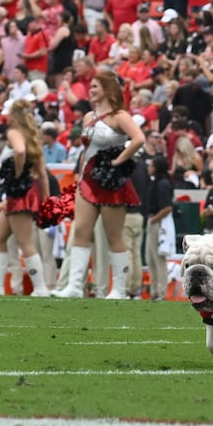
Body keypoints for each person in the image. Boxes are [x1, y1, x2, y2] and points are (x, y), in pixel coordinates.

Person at [53, 73, 145, 299]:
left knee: (114, 235)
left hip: (112, 182)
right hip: (88, 181)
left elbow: (139, 139)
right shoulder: (88, 117)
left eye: (94, 86)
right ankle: (75, 286)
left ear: (106, 88)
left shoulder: (119, 116)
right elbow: (87, 150)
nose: (91, 90)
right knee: (81, 231)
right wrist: (81, 177)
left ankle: (119, 289)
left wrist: (118, 161)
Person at [0, 99, 53, 297]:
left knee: (25, 242)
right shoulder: (32, 137)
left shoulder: (13, 133)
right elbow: (43, 173)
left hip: (19, 192)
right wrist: (46, 198)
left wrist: (18, 171)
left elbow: (19, 151)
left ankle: (40, 288)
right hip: (23, 192)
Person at [141, 155, 176, 299]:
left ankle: (161, 291)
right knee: (150, 258)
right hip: (154, 221)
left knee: (158, 258)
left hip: (158, 223)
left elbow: (167, 207)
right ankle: (154, 290)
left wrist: (153, 220)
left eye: (151, 165)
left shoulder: (162, 184)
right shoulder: (157, 182)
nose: (149, 168)